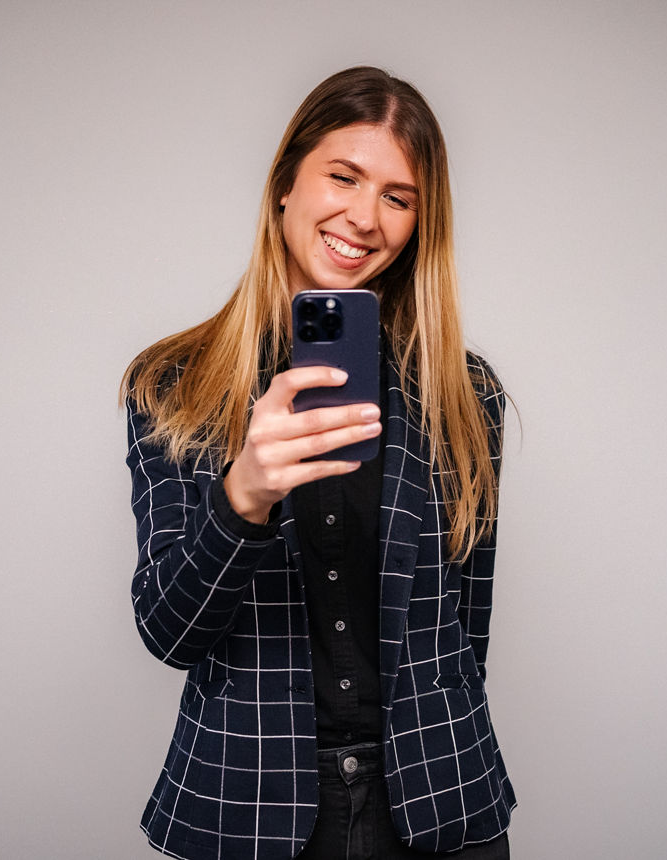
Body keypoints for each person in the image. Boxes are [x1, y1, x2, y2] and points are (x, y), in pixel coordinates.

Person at [120, 66, 516, 860]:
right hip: (248, 803)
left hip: (438, 805)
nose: (365, 217)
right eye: (344, 176)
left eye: (399, 198)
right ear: (284, 186)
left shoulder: (466, 392)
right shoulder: (172, 384)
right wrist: (243, 497)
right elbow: (169, 631)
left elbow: (466, 632)